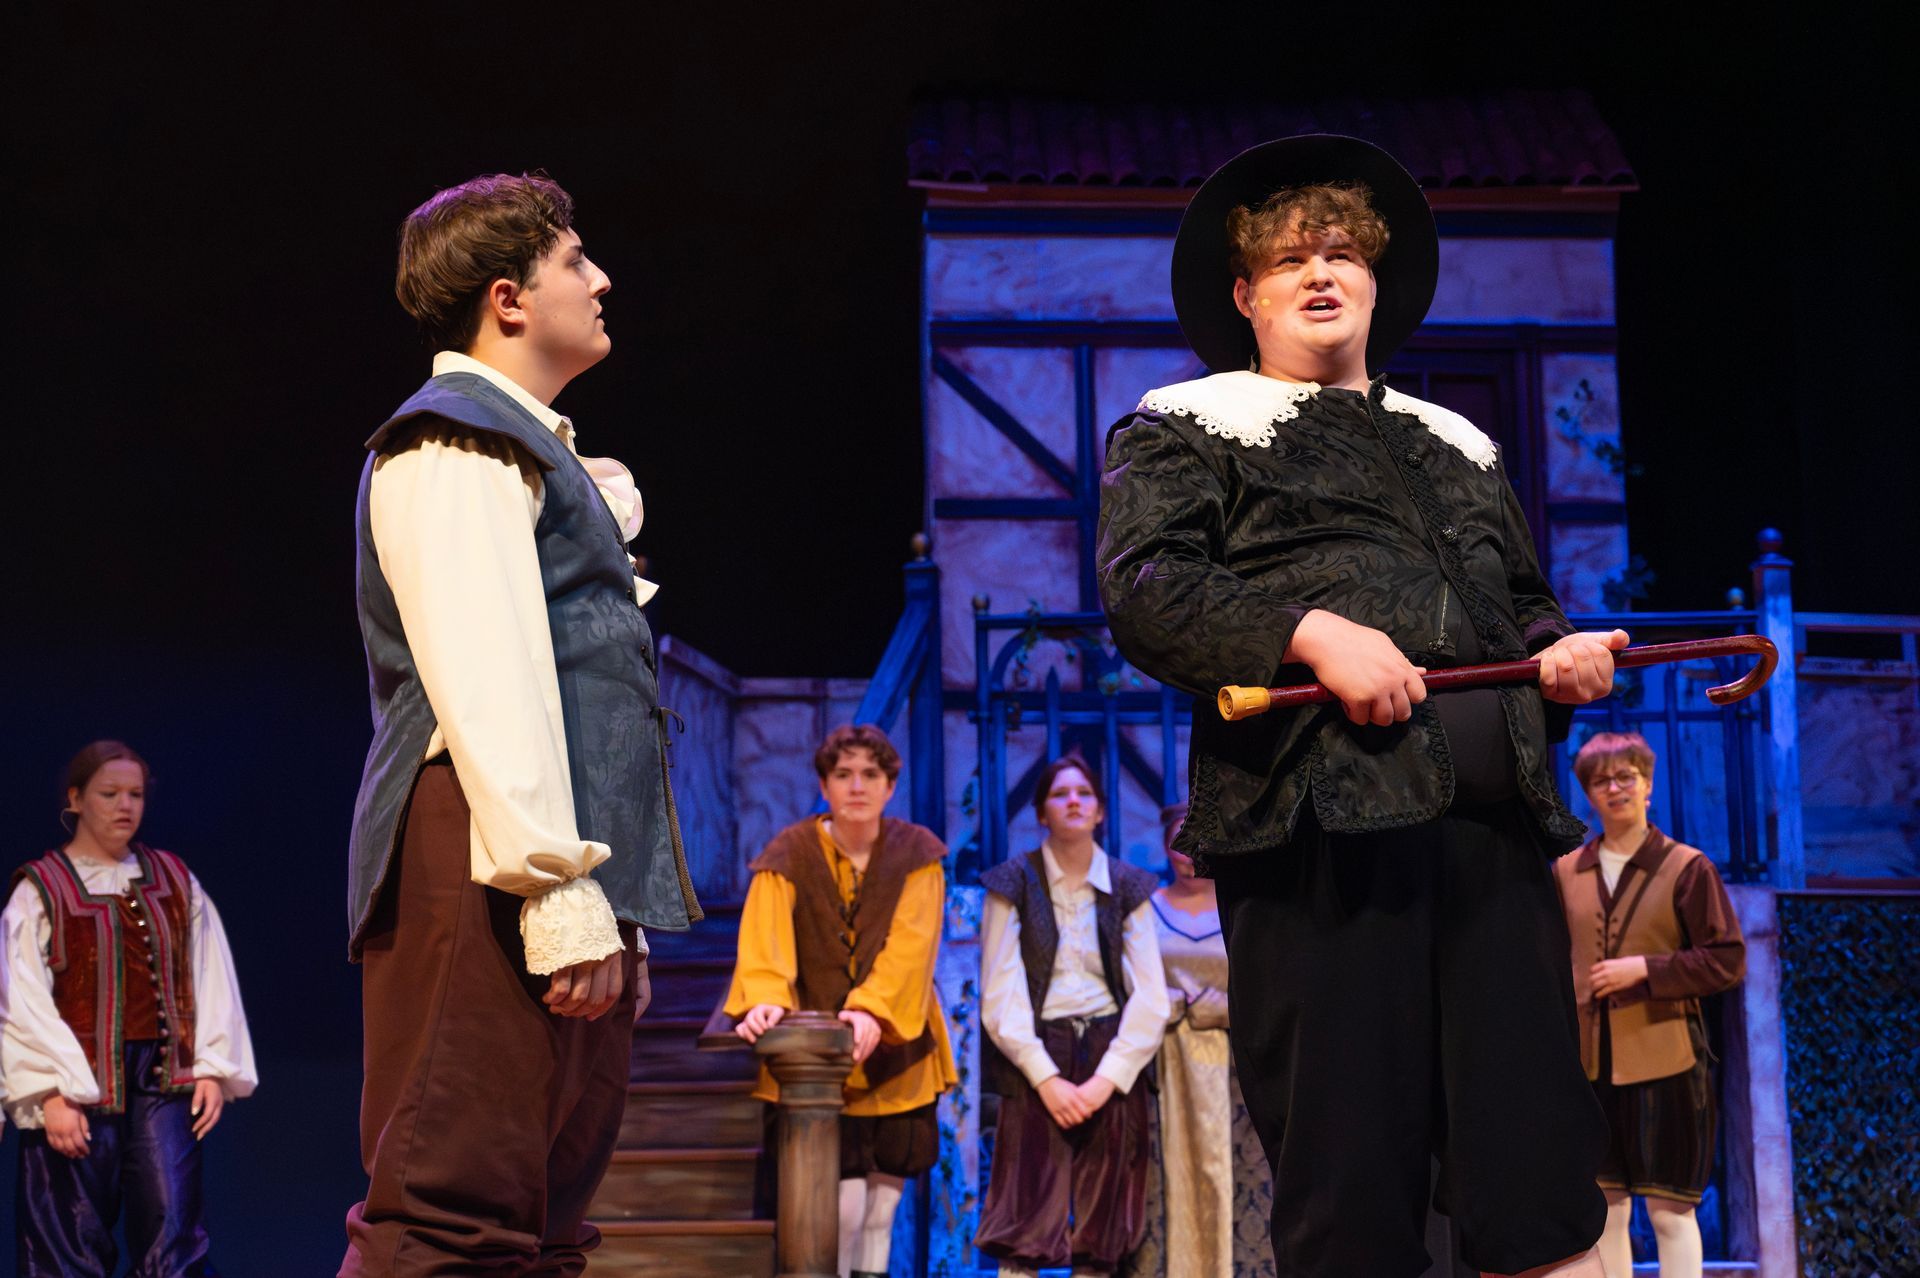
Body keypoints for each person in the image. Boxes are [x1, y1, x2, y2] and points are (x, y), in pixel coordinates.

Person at [1097, 134, 1626, 1278]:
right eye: (1290, 260)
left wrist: (1560, 655)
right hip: (1322, 843)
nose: (1320, 273)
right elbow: (1147, 589)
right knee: (1352, 1189)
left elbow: (1522, 602)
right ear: (1246, 295)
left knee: (1536, 1175)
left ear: (1377, 283)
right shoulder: (1186, 425)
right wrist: (1310, 633)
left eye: (1341, 253)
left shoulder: (1458, 443)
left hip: (1491, 844)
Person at [342, 171, 700, 1275]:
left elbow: (590, 705)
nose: (602, 280)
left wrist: (615, 911)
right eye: (574, 262)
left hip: (552, 867)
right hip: (481, 858)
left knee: (543, 1223)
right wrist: (558, 893)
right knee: (447, 1216)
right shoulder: (452, 444)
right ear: (507, 299)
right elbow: (488, 674)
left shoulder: (536, 453)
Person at [1, 740, 257, 1276]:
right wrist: (48, 1091)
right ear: (76, 799)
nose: (125, 806)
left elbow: (208, 970)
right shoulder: (42, 888)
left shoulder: (173, 879)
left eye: (135, 794)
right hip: (76, 1083)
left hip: (162, 1080)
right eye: (109, 793)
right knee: (67, 1241)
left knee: (174, 1230)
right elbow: (19, 998)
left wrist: (211, 1064)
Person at [725, 724, 956, 1278]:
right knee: (841, 1211)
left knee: (880, 1213)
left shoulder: (918, 854)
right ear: (824, 785)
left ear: (890, 786)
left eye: (870, 775)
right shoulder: (789, 853)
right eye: (843, 774)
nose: (857, 786)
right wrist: (765, 997)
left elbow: (913, 945)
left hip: (899, 1052)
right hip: (817, 1060)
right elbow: (765, 941)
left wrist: (872, 1008)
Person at [1553, 733, 1746, 1278]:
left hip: (1669, 1060)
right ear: (1588, 793)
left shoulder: (1686, 867)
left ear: (1648, 785)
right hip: (1590, 1066)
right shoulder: (1566, 871)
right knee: (1607, 1211)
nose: (1614, 789)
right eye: (1600, 781)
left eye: (1626, 777)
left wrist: (1645, 969)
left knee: (1670, 1212)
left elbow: (1726, 960)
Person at [975, 754, 1170, 1277]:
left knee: (1105, 1224)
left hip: (1110, 1050)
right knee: (1024, 1217)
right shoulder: (1012, 883)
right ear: (1042, 812)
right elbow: (1000, 990)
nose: (1074, 802)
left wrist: (1106, 1080)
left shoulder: (1128, 885)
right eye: (1060, 794)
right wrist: (1046, 1078)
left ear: (1101, 811)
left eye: (1084, 794)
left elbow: (1151, 996)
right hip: (1037, 1051)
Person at [1123, 801, 1275, 1278]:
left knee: (1243, 1172)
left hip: (1235, 1068)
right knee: (1161, 1174)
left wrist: (1225, 1006)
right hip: (1163, 1066)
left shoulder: (1243, 909)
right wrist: (1163, 1003)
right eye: (1178, 841)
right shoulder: (1145, 909)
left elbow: (1267, 982)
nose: (1187, 854)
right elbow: (1128, 978)